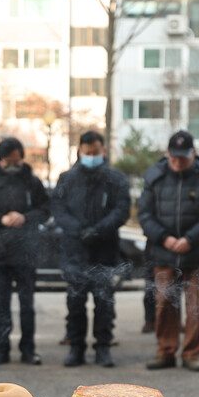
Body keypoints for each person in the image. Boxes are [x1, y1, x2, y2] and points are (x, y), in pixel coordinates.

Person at [138, 130, 199, 372]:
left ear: (194, 154)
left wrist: (189, 239)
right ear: (167, 153)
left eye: (183, 158)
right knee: (164, 304)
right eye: (174, 157)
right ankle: (165, 352)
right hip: (163, 253)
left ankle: (191, 354)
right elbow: (144, 214)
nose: (178, 162)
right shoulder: (154, 178)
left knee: (196, 307)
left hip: (196, 253)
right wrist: (164, 238)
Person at [52, 131, 131, 367]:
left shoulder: (116, 179)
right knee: (75, 302)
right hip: (75, 251)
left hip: (104, 250)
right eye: (87, 152)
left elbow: (122, 210)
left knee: (104, 302)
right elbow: (58, 209)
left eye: (95, 152)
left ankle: (103, 347)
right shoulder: (66, 179)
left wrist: (99, 229)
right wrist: (78, 230)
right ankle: (76, 347)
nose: (91, 156)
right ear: (80, 151)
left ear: (103, 151)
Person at [0, 137, 51, 365]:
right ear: (0, 160)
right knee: (0, 305)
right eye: (8, 161)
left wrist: (25, 217)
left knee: (27, 305)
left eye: (16, 160)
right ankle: (1, 349)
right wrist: (1, 219)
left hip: (26, 252)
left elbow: (46, 209)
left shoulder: (32, 181)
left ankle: (28, 349)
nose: (13, 165)